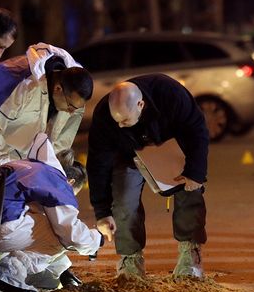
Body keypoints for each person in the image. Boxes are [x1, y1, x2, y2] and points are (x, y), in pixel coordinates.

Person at [87, 74, 209, 279]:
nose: (120, 126)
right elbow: (98, 163)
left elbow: (197, 131)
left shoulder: (171, 94)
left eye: (125, 120)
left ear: (141, 104)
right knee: (124, 199)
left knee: (190, 189)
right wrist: (102, 212)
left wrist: (195, 172)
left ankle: (190, 253)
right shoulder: (104, 115)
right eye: (117, 121)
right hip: (128, 154)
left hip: (171, 146)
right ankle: (130, 259)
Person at [0, 134, 103, 292]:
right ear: (70, 182)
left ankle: (5, 276)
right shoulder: (58, 183)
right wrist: (96, 240)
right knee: (60, 237)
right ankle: (7, 274)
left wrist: (61, 269)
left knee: (44, 223)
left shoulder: (29, 166)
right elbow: (71, 234)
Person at [0, 43, 92, 167]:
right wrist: (7, 168)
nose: (71, 112)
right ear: (58, 88)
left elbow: (60, 146)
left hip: (25, 169)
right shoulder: (19, 83)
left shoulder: (74, 96)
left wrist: (52, 171)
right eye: (70, 107)